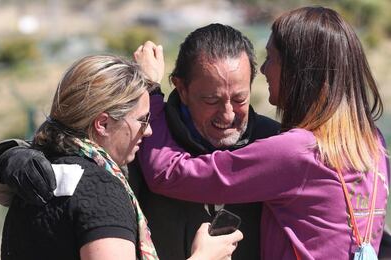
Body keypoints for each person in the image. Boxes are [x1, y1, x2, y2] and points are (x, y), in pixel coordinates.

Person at [0, 24, 280, 260]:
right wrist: (10, 156)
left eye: (240, 98)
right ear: (182, 89)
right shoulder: (137, 147)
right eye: (211, 99)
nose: (228, 113)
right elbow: (68, 141)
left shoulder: (276, 147)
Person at [134, 6, 390, 259]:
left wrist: (152, 92)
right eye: (212, 100)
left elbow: (168, 174)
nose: (264, 70)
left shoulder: (296, 152)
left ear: (297, 71)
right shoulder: (372, 144)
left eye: (271, 58)